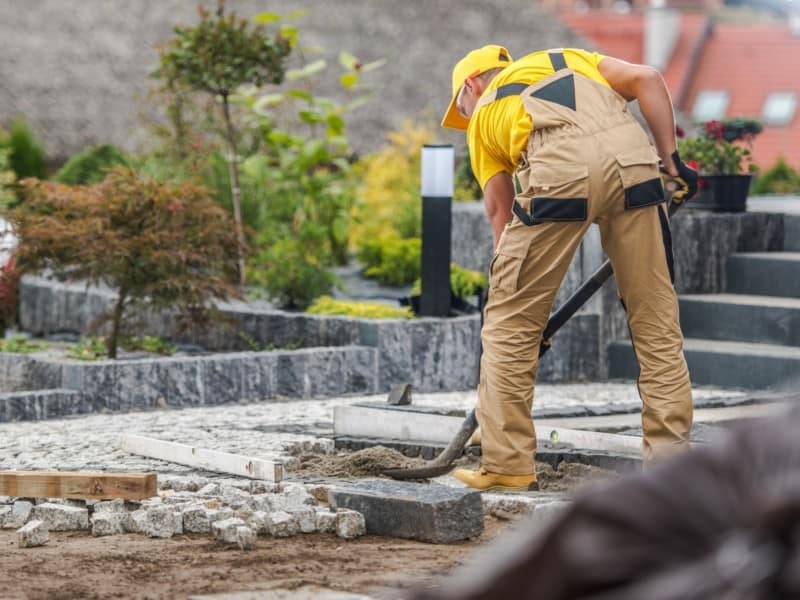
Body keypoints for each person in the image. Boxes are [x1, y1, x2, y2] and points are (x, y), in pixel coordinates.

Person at [441, 45, 696, 492]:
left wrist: (522, 309)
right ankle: (671, 467)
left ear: (471, 85)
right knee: (656, 320)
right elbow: (648, 79)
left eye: (460, 107)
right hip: (635, 163)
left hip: (559, 172)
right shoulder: (569, 58)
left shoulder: (483, 117)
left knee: (508, 327)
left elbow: (500, 215)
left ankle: (507, 464)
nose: (465, 115)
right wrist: (672, 162)